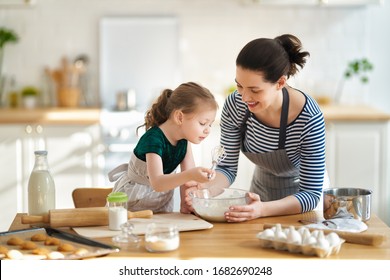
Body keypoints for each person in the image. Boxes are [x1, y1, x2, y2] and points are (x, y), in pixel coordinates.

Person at [190, 34, 326, 222]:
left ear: (280, 83)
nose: (245, 97)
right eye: (239, 86)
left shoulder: (309, 118)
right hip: (259, 195)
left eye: (255, 90)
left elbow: (311, 194)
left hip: (301, 205)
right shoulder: (236, 105)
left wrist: (263, 210)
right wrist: (206, 190)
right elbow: (227, 167)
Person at [109, 82, 218, 213]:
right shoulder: (153, 139)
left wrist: (186, 204)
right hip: (133, 203)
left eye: (210, 125)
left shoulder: (184, 141)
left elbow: (188, 181)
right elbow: (158, 183)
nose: (207, 130)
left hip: (161, 203)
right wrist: (191, 174)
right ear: (179, 117)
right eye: (203, 123)